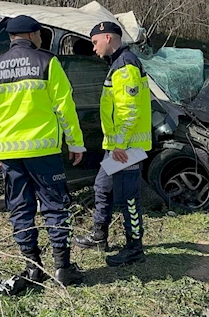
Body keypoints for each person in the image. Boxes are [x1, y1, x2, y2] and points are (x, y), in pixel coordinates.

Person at [0, 15, 86, 292]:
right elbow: (64, 106)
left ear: (11, 38)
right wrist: (75, 143)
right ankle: (63, 267)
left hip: (11, 154)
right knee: (55, 206)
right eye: (40, 34)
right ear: (34, 35)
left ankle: (33, 269)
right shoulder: (48, 63)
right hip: (44, 151)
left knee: (20, 209)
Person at [74, 21, 151, 267]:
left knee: (128, 198)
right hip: (119, 146)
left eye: (95, 42)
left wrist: (119, 144)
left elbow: (130, 111)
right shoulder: (118, 64)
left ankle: (134, 248)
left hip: (126, 148)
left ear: (108, 37)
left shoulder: (125, 65)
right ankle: (99, 237)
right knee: (102, 187)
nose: (94, 48)